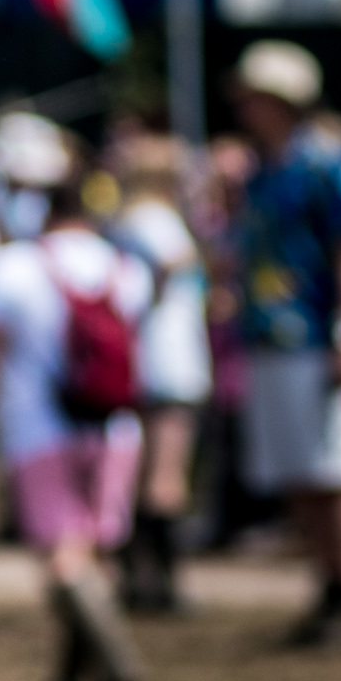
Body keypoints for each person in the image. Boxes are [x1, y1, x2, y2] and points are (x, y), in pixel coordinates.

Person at [0, 172, 154, 681]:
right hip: (113, 425)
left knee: (62, 556)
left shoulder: (11, 267)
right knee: (95, 550)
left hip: (38, 428)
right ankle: (75, 678)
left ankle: (117, 662)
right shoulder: (127, 269)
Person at [228, 41, 341, 647]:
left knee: (335, 468)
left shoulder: (323, 166)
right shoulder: (263, 169)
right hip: (271, 335)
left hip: (315, 336)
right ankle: (327, 582)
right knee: (299, 470)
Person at [109, 136, 213, 617]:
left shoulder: (128, 220)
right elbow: (169, 266)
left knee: (144, 470)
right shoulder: (157, 221)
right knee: (166, 474)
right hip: (170, 359)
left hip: (144, 358)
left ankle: (138, 575)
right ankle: (161, 583)